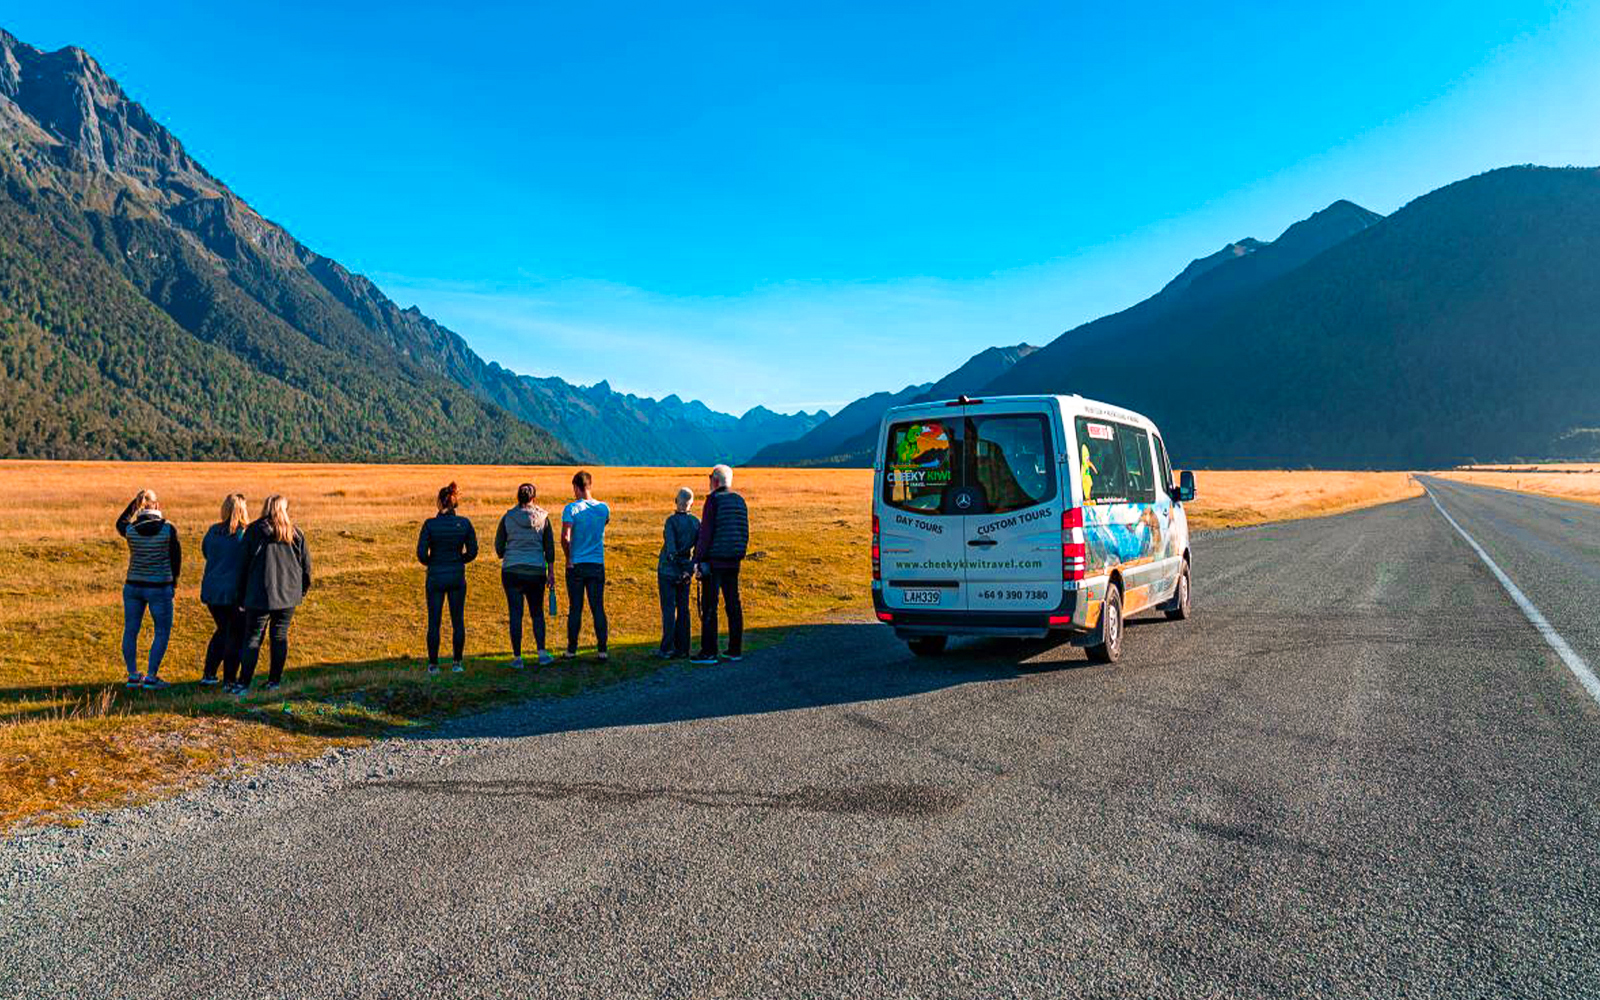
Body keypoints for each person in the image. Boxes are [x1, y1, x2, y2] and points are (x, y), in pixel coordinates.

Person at [236, 494, 312, 694]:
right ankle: (274, 681)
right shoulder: (295, 533)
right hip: (288, 595)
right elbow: (306, 567)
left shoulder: (254, 531)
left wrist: (241, 595)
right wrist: (301, 591)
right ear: (284, 509)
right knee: (279, 636)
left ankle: (243, 683)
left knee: (253, 638)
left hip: (259, 594)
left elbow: (242, 566)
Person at [115, 489, 181, 689]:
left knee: (131, 629)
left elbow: (120, 522)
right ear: (158, 505)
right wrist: (174, 583)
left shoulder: (131, 530)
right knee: (161, 631)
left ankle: (133, 675)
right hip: (160, 587)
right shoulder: (168, 529)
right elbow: (176, 559)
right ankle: (152, 676)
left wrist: (134, 505)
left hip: (133, 585)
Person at [690, 465, 749, 665]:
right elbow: (744, 530)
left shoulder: (713, 501)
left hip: (714, 561)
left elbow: (706, 534)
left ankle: (709, 652)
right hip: (734, 560)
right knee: (733, 604)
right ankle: (735, 649)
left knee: (709, 605)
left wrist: (697, 560)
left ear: (714, 480)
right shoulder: (740, 501)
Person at [417, 482, 478, 674]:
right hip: (456, 575)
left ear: (439, 502)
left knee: (434, 621)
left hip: (435, 575)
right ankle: (457, 663)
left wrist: (432, 562)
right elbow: (473, 551)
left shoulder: (429, 524)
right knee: (457, 620)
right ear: (455, 503)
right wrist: (460, 560)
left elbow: (421, 554)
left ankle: (433, 664)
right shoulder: (465, 524)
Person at [495, 482, 556, 669]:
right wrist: (550, 572)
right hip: (536, 571)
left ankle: (517, 657)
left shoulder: (507, 517)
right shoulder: (544, 517)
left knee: (516, 614)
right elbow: (549, 549)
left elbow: (499, 549)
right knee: (537, 613)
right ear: (534, 498)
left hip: (512, 571)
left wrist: (512, 552)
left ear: (517, 497)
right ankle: (542, 654)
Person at [199, 493, 249, 687]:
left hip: (212, 591)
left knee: (223, 631)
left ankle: (209, 673)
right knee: (234, 635)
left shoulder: (213, 531)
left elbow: (206, 552)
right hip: (233, 594)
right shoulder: (244, 534)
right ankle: (229, 679)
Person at [560, 470, 610, 661]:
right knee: (598, 607)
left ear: (576, 487)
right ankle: (602, 650)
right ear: (590, 486)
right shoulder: (604, 508)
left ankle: (572, 650)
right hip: (597, 563)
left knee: (575, 608)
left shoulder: (571, 509)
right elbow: (603, 525)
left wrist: (568, 557)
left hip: (577, 565)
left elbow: (565, 537)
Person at [656, 487, 699, 659]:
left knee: (668, 610)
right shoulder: (696, 523)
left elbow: (671, 550)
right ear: (691, 503)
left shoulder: (671, 521)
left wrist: (679, 568)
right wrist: (688, 571)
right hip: (686, 572)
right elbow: (699, 551)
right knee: (683, 610)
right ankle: (683, 648)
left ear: (676, 501)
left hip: (667, 570)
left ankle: (667, 648)